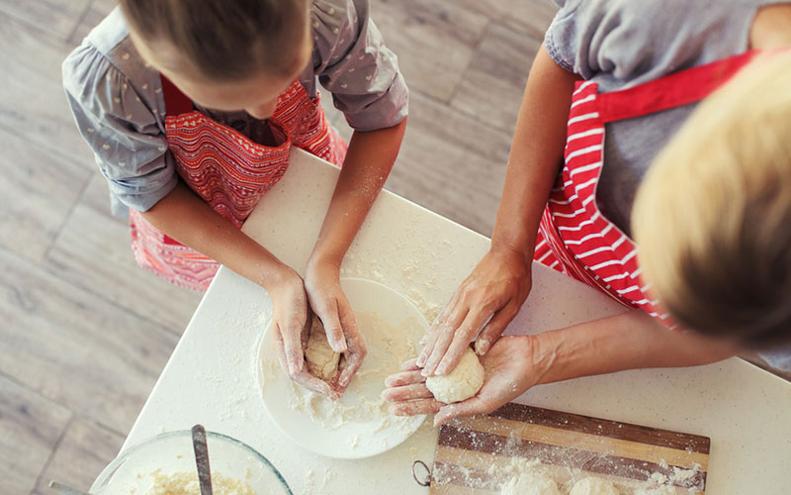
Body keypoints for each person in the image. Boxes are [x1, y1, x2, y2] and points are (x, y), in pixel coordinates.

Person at [384, 1, 791, 425]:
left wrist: (544, 356)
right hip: (556, 241)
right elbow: (561, 56)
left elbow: (718, 333)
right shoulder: (666, 18)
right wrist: (510, 246)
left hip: (645, 338)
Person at [62, 0, 409, 398]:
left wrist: (326, 258)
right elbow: (154, 196)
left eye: (284, 79)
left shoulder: (325, 9)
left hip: (303, 175)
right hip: (200, 215)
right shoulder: (115, 83)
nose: (266, 109)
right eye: (235, 99)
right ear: (160, 62)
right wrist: (274, 279)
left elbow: (383, 120)